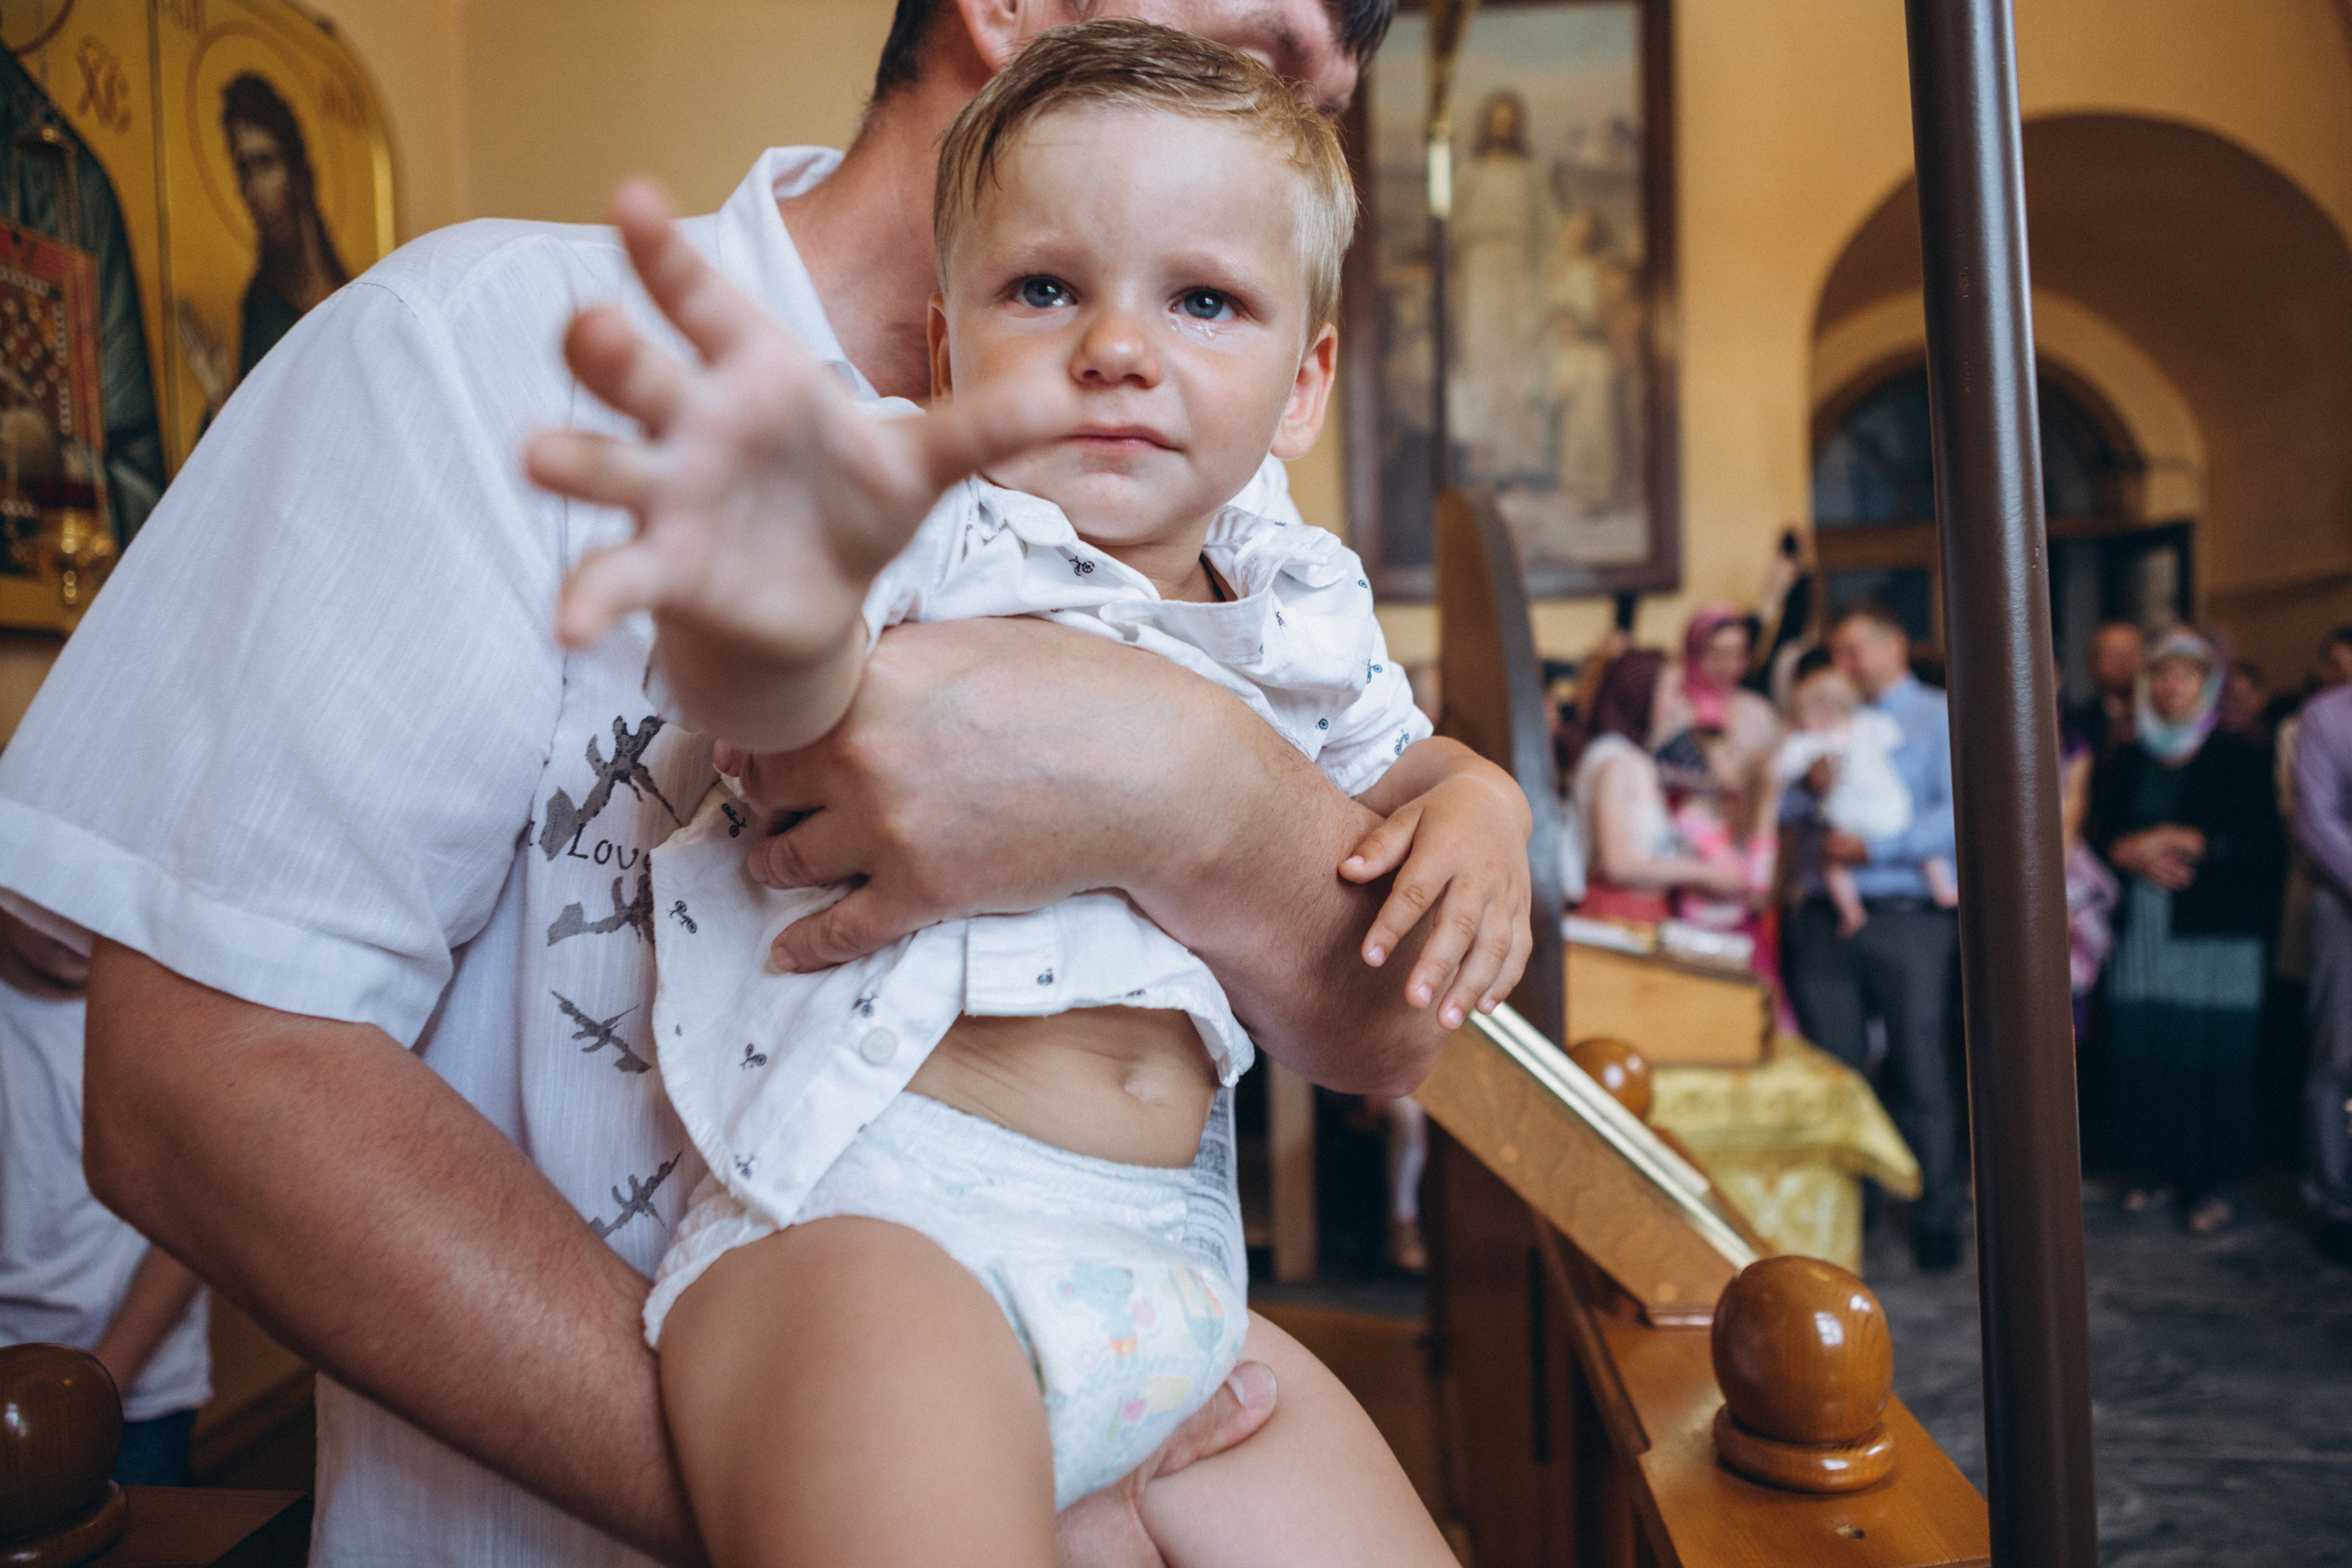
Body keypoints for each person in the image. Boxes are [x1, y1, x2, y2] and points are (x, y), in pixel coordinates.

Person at [0, 1, 1425, 1562]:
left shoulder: (1216, 497)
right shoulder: (482, 348)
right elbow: (197, 1089)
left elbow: (1383, 1013)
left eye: (1314, 91)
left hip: (1146, 1313)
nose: (1281, 119)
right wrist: (889, 1481)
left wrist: (1191, 779)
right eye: (1255, 46)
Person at [536, 33, 1515, 1560]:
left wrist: (1480, 806)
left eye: (1203, 300)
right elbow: (775, 697)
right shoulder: (919, 502)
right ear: (944, 349)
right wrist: (759, 578)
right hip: (873, 1238)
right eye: (1045, 289)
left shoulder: (1297, 600)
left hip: (1169, 1283)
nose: (1119, 347)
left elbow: (1401, 774)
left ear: (1305, 380)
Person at [1777, 602, 1965, 1272]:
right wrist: (1808, 785)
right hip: (1826, 917)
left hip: (1908, 915)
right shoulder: (1824, 716)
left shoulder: (1936, 714)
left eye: (1856, 650)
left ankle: (1938, 1213)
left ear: (1896, 643)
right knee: (1836, 1071)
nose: (1845, 665)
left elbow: (1959, 810)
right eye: (1838, 653)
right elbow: (1788, 810)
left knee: (1921, 1065)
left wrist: (1877, 845)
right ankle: (1844, 1218)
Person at [0, 910, 209, 1485]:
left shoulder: (167, 1025)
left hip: (138, 1399)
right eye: (52, 898)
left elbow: (190, 1228)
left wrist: (101, 1388)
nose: (80, 922)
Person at [2089, 629, 2285, 1235]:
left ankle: (2213, 1183)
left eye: (2186, 675)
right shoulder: (2126, 752)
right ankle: (2158, 1170)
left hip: (2217, 932)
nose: (2172, 687)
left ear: (2210, 685)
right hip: (2145, 928)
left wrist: (2182, 838)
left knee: (2214, 1056)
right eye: (2162, 675)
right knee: (2148, 1048)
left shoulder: (2240, 752)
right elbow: (2100, 834)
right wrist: (2133, 851)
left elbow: (2263, 846)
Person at [1568, 650, 1754, 926]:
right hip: (1619, 911)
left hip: (1641, 910)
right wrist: (1703, 872)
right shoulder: (1617, 762)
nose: (1680, 702)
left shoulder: (1629, 758)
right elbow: (1616, 864)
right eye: (1672, 691)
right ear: (1641, 695)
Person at [1772, 665, 1952, 938]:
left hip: (1853, 823)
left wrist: (1874, 849)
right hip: (1889, 808)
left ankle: (1851, 911)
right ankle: (1944, 887)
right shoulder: (1868, 723)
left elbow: (1782, 768)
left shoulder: (1811, 741)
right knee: (1930, 857)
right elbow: (1892, 737)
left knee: (1833, 863)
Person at [2290, 673, 2352, 1267]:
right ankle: (2335, 1202)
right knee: (2337, 1053)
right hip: (2345, 898)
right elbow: (2317, 819)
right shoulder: (2329, 716)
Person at [2066, 619, 2145, 761]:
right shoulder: (2075, 725)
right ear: (2092, 663)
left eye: (2131, 652)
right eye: (2111, 654)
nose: (2122, 662)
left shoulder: (2165, 719)